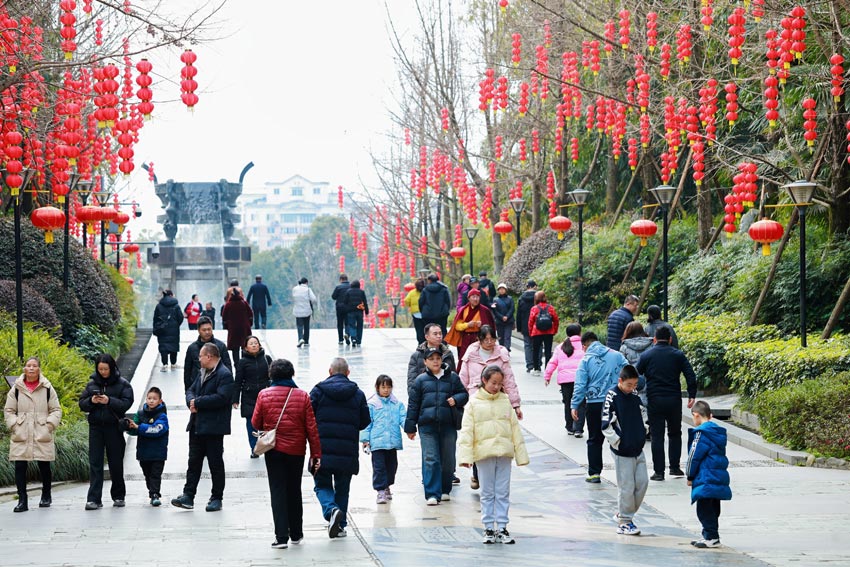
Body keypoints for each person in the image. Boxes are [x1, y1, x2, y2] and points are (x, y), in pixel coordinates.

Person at [252, 359, 321, 549]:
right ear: (291, 374)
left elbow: (256, 423)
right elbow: (311, 428)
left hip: (273, 450)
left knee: (278, 491)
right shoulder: (302, 396)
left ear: (271, 374)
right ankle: (297, 534)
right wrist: (316, 454)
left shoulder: (264, 395)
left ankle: (281, 537)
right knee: (294, 490)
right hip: (297, 450)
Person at [458, 365, 529, 545]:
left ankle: (503, 527)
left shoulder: (505, 400)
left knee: (503, 491)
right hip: (484, 453)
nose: (496, 386)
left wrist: (521, 455)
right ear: (484, 381)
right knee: (487, 492)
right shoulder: (473, 403)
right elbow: (467, 431)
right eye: (493, 383)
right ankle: (488, 527)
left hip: (504, 452)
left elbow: (515, 429)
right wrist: (465, 457)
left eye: (499, 383)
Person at [309, 358, 370, 539]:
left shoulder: (318, 391)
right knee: (343, 488)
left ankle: (331, 510)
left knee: (321, 485)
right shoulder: (357, 393)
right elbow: (364, 421)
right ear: (348, 372)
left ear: (330, 371)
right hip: (347, 451)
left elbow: (308, 416)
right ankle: (341, 525)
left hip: (321, 449)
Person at [172, 343, 235, 512]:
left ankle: (216, 498)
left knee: (215, 464)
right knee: (193, 462)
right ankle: (188, 495)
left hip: (214, 427)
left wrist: (197, 402)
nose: (198, 359)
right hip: (197, 424)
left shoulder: (224, 375)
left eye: (200, 356)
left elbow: (222, 398)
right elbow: (190, 390)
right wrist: (190, 402)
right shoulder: (202, 372)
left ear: (209, 357)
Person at [458, 325, 522, 490]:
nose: (489, 342)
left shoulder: (501, 355)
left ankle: (491, 476)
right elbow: (462, 379)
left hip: (497, 399)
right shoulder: (470, 355)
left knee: (493, 433)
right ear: (479, 340)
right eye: (485, 339)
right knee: (478, 436)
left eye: (492, 339)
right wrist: (459, 399)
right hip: (476, 399)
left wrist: (515, 404)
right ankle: (477, 473)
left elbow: (509, 380)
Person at [405, 347, 469, 505]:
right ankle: (432, 493)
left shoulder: (452, 378)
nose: (435, 361)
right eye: (431, 358)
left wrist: (456, 399)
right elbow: (413, 405)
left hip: (448, 424)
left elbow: (464, 394)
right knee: (431, 458)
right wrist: (410, 427)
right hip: (427, 426)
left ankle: (445, 489)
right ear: (425, 361)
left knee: (448, 459)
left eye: (438, 358)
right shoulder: (420, 380)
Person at [637, 326, 698, 481]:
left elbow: (636, 372)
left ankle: (658, 472)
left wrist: (639, 387)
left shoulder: (647, 355)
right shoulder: (677, 355)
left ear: (655, 339)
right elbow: (690, 375)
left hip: (654, 399)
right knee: (675, 433)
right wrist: (692, 394)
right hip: (673, 399)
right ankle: (675, 467)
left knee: (657, 436)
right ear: (670, 339)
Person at [4, 356, 62, 512]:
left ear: (39, 369)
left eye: (34, 366)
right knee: (20, 465)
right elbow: (9, 410)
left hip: (41, 430)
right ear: (24, 369)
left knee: (44, 464)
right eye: (28, 365)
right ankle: (22, 500)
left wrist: (49, 425)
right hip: (22, 431)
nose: (31, 368)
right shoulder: (16, 388)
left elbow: (56, 409)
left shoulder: (47, 387)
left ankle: (46, 495)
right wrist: (15, 425)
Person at [79, 353, 134, 510]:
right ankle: (94, 499)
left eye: (105, 369)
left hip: (113, 428)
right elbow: (82, 403)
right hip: (96, 428)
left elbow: (126, 403)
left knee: (115, 463)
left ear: (112, 367)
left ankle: (118, 496)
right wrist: (92, 400)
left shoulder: (123, 384)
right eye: (100, 369)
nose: (103, 372)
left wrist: (109, 400)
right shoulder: (91, 385)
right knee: (95, 463)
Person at [570, 332, 627, 484]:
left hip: (594, 404)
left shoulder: (586, 360)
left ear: (584, 346)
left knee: (595, 439)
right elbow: (629, 372)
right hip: (615, 401)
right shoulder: (617, 355)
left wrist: (575, 404)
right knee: (617, 436)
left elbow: (580, 385)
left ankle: (594, 473)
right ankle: (624, 472)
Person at [601, 365, 649, 536]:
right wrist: (617, 442)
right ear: (620, 381)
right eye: (629, 384)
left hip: (637, 447)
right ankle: (625, 522)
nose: (632, 388)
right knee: (627, 487)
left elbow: (642, 412)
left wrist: (644, 430)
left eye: (635, 385)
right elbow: (605, 424)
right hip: (622, 450)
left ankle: (623, 514)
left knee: (642, 483)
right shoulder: (612, 396)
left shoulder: (634, 395)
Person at [686, 400, 732, 549]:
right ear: (710, 415)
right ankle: (708, 534)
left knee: (704, 509)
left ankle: (711, 536)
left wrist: (689, 475)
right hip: (716, 476)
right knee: (713, 507)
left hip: (705, 476)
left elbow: (694, 456)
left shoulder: (701, 433)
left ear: (696, 415)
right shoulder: (717, 432)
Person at [360, 375, 406, 504]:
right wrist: (365, 439)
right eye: (383, 387)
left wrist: (409, 429)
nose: (386, 390)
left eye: (388, 387)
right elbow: (366, 423)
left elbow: (403, 418)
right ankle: (380, 490)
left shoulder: (397, 404)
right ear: (377, 388)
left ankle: (387, 485)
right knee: (379, 467)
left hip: (392, 443)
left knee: (392, 466)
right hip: (377, 443)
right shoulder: (372, 404)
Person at [127, 386, 169, 507]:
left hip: (158, 453)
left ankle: (155, 494)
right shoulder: (140, 414)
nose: (151, 401)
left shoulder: (162, 416)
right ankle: (152, 492)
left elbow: (156, 430)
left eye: (154, 399)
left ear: (160, 401)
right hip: (143, 452)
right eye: (149, 398)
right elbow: (134, 430)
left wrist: (139, 427)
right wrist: (128, 427)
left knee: (155, 474)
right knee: (147, 474)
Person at [232, 335, 272, 458]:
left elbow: (274, 376)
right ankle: (254, 448)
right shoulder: (242, 362)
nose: (254, 345)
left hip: (266, 395)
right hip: (249, 396)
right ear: (246, 347)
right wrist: (235, 399)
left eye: (256, 343)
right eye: (251, 343)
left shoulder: (267, 359)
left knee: (267, 423)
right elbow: (238, 381)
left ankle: (266, 446)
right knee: (251, 424)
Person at [544, 324, 586, 437]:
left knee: (568, 403)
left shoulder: (560, 347)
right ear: (580, 333)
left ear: (567, 334)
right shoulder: (584, 346)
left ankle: (570, 427)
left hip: (565, 380)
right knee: (581, 403)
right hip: (580, 379)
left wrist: (547, 375)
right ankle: (578, 429)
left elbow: (553, 362)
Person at [445, 289, 496, 373]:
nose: (475, 299)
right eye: (473, 296)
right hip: (466, 338)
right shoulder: (463, 310)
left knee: (480, 359)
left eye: (477, 297)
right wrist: (467, 325)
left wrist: (482, 325)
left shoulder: (485, 310)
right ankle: (462, 378)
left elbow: (490, 326)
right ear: (469, 298)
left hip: (480, 338)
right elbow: (457, 326)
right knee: (464, 358)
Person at [183, 316, 232, 392]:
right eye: (204, 330)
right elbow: (187, 372)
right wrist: (188, 392)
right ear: (199, 330)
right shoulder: (192, 348)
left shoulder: (220, 346)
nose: (207, 332)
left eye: (209, 329)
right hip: (198, 389)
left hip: (217, 389)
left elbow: (228, 366)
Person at [407, 323, 457, 396]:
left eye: (440, 333)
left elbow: (454, 378)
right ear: (427, 337)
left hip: (445, 397)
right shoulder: (417, 355)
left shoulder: (447, 354)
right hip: (425, 396)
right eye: (435, 334)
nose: (439, 336)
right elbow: (412, 381)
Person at [527, 291, 559, 374]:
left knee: (536, 350)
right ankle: (547, 368)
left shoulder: (534, 308)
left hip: (537, 332)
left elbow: (530, 321)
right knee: (548, 350)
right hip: (549, 332)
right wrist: (554, 330)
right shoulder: (550, 307)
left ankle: (536, 368)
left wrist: (530, 332)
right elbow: (556, 319)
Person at [153, 289, 184, 371]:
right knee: (174, 346)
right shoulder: (176, 305)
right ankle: (173, 364)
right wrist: (176, 325)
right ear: (171, 295)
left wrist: (157, 327)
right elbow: (180, 317)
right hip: (174, 329)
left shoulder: (159, 306)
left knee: (163, 347)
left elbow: (155, 319)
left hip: (162, 330)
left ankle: (165, 365)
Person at [222, 287, 253, 364]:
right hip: (244, 328)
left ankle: (237, 364)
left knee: (235, 348)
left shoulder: (228, 304)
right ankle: (244, 362)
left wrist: (226, 327)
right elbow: (250, 314)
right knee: (244, 346)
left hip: (233, 329)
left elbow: (224, 316)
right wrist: (249, 324)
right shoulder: (243, 303)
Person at [516, 280, 538, 373]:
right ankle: (537, 363)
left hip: (525, 325)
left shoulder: (522, 298)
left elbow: (519, 314)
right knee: (538, 345)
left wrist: (519, 327)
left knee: (527, 345)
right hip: (537, 325)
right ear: (535, 286)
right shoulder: (538, 297)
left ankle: (529, 365)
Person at [292, 277, 317, 348]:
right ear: (306, 282)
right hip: (307, 310)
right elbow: (314, 299)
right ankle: (306, 341)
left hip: (297, 310)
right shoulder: (308, 289)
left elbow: (294, 297)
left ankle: (300, 339)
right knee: (306, 326)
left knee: (299, 326)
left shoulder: (295, 289)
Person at [342, 280, 368, 347]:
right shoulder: (361, 292)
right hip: (359, 311)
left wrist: (345, 310)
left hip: (351, 311)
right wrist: (366, 311)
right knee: (360, 326)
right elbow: (365, 302)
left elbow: (345, 302)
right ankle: (359, 340)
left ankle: (353, 338)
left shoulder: (348, 292)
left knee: (352, 325)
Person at [491, 283, 515, 351]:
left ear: (505, 290)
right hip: (499, 321)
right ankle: (501, 349)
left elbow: (512, 308)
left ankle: (506, 349)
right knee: (500, 336)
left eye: (503, 289)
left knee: (507, 336)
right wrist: (501, 317)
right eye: (500, 289)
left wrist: (507, 316)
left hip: (509, 320)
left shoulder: (510, 299)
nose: (501, 290)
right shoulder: (495, 300)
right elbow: (495, 311)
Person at [332, 274, 351, 345]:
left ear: (341, 280)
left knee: (340, 323)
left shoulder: (338, 287)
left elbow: (333, 297)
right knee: (347, 322)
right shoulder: (351, 287)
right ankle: (347, 334)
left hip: (339, 307)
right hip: (348, 307)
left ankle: (340, 339)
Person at [405, 279, 426, 344]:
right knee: (426, 329)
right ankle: (426, 342)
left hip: (416, 313)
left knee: (418, 329)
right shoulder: (426, 292)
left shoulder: (412, 292)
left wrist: (410, 306)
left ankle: (420, 342)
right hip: (425, 313)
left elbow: (406, 301)